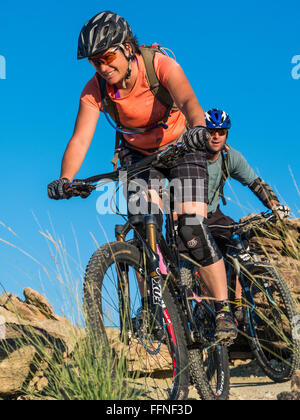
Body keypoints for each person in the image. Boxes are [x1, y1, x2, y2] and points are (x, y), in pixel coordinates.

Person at [47, 11, 237, 342]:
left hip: (183, 146)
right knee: (141, 227)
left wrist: (197, 131)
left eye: (107, 57)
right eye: (95, 62)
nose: (103, 68)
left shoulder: (160, 65)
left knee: (191, 226)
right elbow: (80, 139)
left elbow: (190, 102)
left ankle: (223, 311)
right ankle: (152, 308)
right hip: (137, 156)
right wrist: (65, 179)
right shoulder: (95, 91)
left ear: (127, 47)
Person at [204, 108, 290, 320]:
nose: (216, 136)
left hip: (213, 214)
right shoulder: (192, 155)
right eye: (211, 131)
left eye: (221, 132)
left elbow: (255, 183)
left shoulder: (229, 156)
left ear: (227, 134)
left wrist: (275, 205)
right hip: (186, 215)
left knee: (239, 240)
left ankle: (239, 305)